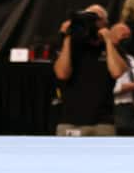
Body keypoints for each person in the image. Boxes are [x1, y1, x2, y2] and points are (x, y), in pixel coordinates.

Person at [53, 7, 127, 137]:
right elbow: (62, 74)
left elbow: (116, 72)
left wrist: (108, 41)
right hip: (70, 121)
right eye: (87, 19)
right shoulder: (70, 46)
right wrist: (68, 37)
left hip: (103, 122)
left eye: (95, 19)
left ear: (105, 23)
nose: (92, 24)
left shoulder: (112, 48)